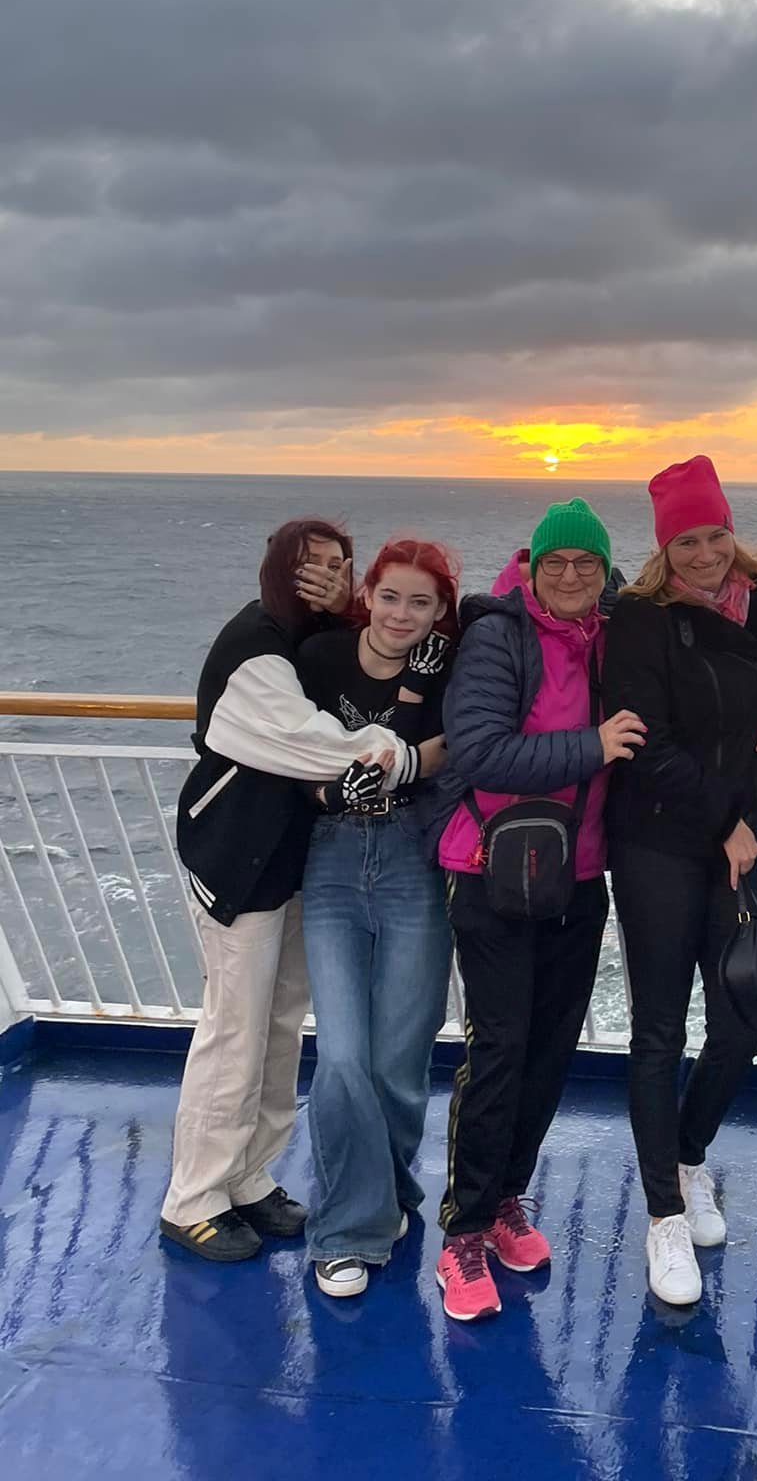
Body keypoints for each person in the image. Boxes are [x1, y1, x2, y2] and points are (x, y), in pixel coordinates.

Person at [161, 519, 422, 1262]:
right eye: (310, 565)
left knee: (279, 1024)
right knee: (235, 1029)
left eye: (339, 564)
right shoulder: (255, 649)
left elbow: (351, 670)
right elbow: (317, 743)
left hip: (288, 861)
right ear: (278, 569)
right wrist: (401, 754)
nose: (327, 577)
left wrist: (346, 612)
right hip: (236, 863)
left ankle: (248, 1176)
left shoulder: (305, 637)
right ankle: (193, 1197)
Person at [428, 500, 645, 1324]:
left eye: (586, 563)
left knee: (551, 1051)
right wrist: (592, 745)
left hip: (576, 874)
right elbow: (480, 750)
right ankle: (464, 1231)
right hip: (490, 868)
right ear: (532, 566)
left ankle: (507, 1199)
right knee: (500, 1050)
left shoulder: (613, 635)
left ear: (604, 571)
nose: (570, 575)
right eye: (555, 562)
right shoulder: (499, 635)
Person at [602, 456, 757, 1309]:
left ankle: (688, 1161)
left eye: (715, 534)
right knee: (659, 1032)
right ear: (664, 547)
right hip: (658, 844)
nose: (705, 554)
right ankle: (663, 1217)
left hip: (742, 847)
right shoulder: (639, 617)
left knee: (739, 1024)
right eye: (686, 540)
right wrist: (725, 818)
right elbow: (642, 742)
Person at [295, 538, 460, 1299]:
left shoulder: (448, 665)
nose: (401, 614)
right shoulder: (322, 658)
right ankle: (345, 1231)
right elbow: (286, 747)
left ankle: (386, 1191)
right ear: (367, 593)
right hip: (331, 855)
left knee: (398, 1058)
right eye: (390, 596)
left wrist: (406, 761)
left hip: (412, 857)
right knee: (341, 1056)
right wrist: (330, 791)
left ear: (439, 610)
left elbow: (457, 744)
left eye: (420, 602)